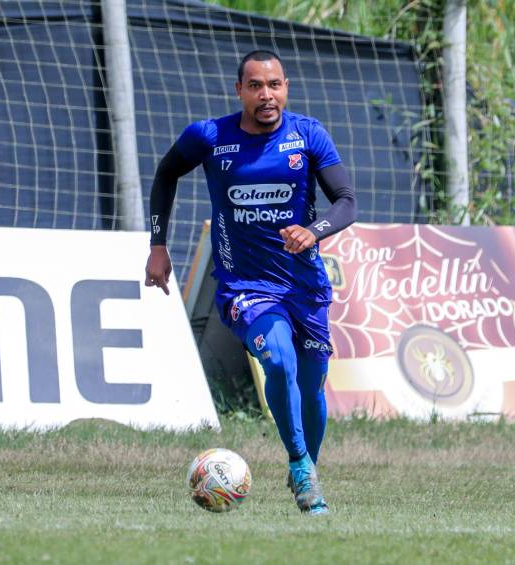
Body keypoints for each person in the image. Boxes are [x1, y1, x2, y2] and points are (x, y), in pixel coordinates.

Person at [144, 49, 357, 515]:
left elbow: (345, 201)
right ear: (239, 90)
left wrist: (313, 231)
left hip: (305, 286)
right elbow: (165, 174)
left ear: (286, 88)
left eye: (275, 85)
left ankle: (307, 465)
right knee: (277, 362)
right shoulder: (208, 137)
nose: (267, 95)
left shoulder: (307, 135)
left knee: (311, 385)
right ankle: (301, 465)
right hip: (246, 287)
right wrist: (158, 245)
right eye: (256, 86)